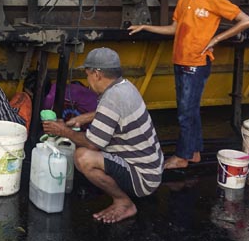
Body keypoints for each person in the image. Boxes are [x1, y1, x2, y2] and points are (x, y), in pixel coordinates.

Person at [128, 0, 249, 169]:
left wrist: (216, 39)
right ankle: (194, 152)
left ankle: (182, 157)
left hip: (197, 63)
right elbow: (174, 29)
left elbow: (246, 21)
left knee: (186, 113)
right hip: (180, 60)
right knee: (190, 111)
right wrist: (146, 27)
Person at [42, 48, 163, 224]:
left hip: (143, 178)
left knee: (83, 157)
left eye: (88, 74)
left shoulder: (111, 99)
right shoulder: (125, 87)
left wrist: (62, 131)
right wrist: (83, 118)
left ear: (97, 74)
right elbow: (110, 112)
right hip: (152, 168)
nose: (88, 81)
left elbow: (92, 144)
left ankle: (124, 202)